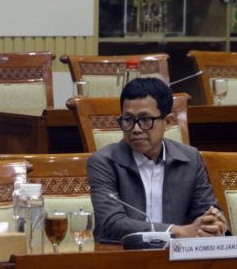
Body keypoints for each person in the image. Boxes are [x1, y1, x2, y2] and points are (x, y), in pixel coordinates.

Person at [88, 77, 228, 241]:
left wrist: (213, 223)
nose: (136, 129)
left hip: (174, 254)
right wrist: (176, 231)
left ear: (167, 122)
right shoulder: (104, 162)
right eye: (128, 120)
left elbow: (205, 211)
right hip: (120, 252)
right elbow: (112, 222)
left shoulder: (190, 159)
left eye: (145, 120)